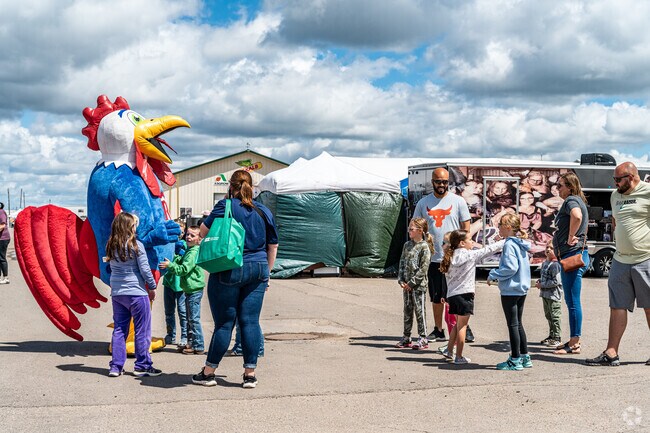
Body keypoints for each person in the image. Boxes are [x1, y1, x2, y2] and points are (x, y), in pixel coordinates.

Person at [193, 170, 278, 388]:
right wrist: (266, 273)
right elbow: (273, 245)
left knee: (224, 324)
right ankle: (249, 374)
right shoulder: (264, 211)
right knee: (250, 321)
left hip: (230, 267)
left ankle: (209, 372)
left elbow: (202, 232)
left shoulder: (225, 206)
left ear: (230, 186)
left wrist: (223, 204)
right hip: (259, 268)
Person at [586, 162, 650, 367]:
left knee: (649, 307)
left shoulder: (647, 193)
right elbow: (616, 222)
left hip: (645, 258)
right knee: (617, 306)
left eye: (618, 179)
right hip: (621, 259)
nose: (614, 184)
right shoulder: (615, 196)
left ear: (631, 177)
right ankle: (611, 352)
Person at [413, 168, 472, 343]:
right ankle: (439, 330)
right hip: (434, 258)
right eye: (438, 181)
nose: (442, 185)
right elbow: (416, 227)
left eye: (445, 182)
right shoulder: (423, 203)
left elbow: (466, 228)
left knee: (458, 295)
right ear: (432, 182)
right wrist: (418, 250)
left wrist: (463, 250)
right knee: (437, 296)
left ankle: (463, 328)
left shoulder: (458, 201)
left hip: (455, 258)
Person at [105, 212, 161, 377]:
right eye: (134, 224)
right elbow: (144, 269)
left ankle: (116, 366)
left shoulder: (111, 245)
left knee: (120, 330)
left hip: (117, 293)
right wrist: (152, 286)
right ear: (129, 226)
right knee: (142, 330)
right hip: (136, 292)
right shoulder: (137, 245)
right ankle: (142, 365)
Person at [439, 230, 505, 364]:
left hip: (453, 295)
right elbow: (489, 250)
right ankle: (459, 357)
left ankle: (449, 350)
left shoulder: (449, 257)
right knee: (462, 326)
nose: (473, 243)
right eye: (470, 240)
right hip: (465, 295)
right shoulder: (470, 255)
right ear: (462, 243)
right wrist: (505, 241)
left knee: (457, 324)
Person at [488, 214, 532, 371]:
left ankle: (515, 359)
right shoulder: (520, 243)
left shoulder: (509, 245)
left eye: (500, 224)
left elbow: (510, 268)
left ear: (507, 227)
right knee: (518, 323)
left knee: (513, 324)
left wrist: (493, 274)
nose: (498, 227)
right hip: (522, 288)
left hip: (511, 290)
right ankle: (524, 356)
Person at [552, 172, 589, 355]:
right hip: (572, 255)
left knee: (573, 301)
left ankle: (574, 342)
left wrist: (570, 236)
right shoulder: (577, 200)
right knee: (571, 300)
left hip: (572, 256)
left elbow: (577, 216)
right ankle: (573, 339)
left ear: (570, 187)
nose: (557, 188)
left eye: (560, 185)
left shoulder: (571, 201)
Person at [160, 225, 205, 355]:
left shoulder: (193, 252)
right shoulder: (189, 251)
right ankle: (190, 343)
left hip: (194, 290)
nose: (189, 237)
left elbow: (184, 269)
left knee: (193, 319)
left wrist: (171, 265)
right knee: (191, 318)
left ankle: (199, 345)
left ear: (199, 239)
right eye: (188, 234)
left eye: (193, 235)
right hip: (190, 289)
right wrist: (177, 258)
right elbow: (182, 262)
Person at [395, 217, 434, 350]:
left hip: (418, 286)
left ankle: (423, 338)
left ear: (420, 231)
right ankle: (406, 337)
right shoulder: (407, 245)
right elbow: (402, 262)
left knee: (419, 311)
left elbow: (424, 268)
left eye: (411, 229)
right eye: (409, 228)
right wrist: (401, 279)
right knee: (407, 310)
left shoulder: (424, 247)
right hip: (406, 286)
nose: (409, 231)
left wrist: (412, 283)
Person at [162, 223, 187, 351]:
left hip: (180, 285)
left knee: (183, 312)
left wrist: (180, 251)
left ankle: (185, 336)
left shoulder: (184, 245)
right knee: (169, 312)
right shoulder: (167, 245)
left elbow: (185, 263)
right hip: (168, 283)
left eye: (181, 232)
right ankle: (171, 334)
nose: (177, 235)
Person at [536, 241, 562, 347]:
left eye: (551, 248)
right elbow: (544, 277)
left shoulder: (555, 265)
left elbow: (556, 281)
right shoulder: (545, 263)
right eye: (547, 247)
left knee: (555, 316)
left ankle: (557, 337)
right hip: (545, 295)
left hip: (553, 295)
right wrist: (539, 281)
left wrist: (542, 285)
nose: (548, 249)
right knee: (548, 316)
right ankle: (551, 336)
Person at [0, 202, 9, 284]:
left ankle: (6, 277)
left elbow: (2, 225)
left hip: (3, 238)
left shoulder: (1, 212)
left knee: (2, 258)